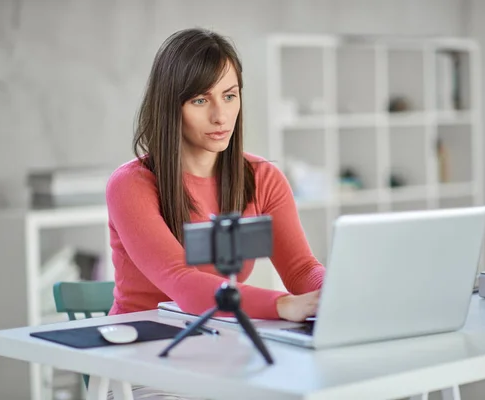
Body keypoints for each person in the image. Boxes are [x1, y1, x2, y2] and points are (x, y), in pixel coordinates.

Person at [105, 27, 325, 399]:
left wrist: (339, 293)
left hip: (225, 350)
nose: (221, 115)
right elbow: (182, 282)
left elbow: (302, 270)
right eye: (201, 101)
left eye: (229, 96)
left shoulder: (262, 178)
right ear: (171, 105)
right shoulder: (131, 185)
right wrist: (282, 305)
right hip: (142, 359)